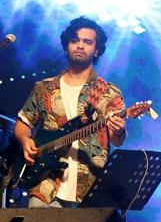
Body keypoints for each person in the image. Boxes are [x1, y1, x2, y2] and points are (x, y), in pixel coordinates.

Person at [14, 16, 127, 208]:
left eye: (87, 42)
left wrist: (118, 131)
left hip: (89, 185)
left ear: (97, 50)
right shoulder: (44, 88)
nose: (80, 46)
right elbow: (23, 124)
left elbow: (117, 140)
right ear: (66, 46)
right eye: (74, 41)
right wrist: (25, 140)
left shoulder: (109, 92)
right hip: (45, 182)